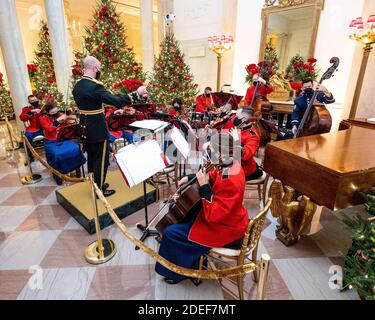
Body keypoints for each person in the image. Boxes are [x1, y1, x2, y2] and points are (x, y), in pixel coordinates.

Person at [155, 133, 248, 284]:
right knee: (185, 214)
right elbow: (212, 174)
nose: (209, 154)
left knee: (172, 233)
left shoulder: (230, 178)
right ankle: (194, 261)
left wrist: (204, 186)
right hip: (229, 218)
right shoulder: (229, 163)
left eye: (210, 150)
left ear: (219, 152)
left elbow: (214, 215)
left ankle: (181, 272)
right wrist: (191, 176)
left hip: (225, 227)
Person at [72, 56, 147, 197]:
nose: (99, 70)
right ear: (94, 68)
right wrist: (137, 93)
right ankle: (99, 190)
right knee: (101, 160)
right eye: (99, 68)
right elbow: (117, 101)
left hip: (84, 127)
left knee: (92, 158)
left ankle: (95, 184)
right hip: (97, 128)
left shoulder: (78, 85)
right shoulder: (94, 86)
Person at [39, 102, 86, 186]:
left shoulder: (60, 114)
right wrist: (57, 121)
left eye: (56, 111)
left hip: (64, 139)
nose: (55, 114)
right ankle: (57, 175)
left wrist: (70, 118)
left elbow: (69, 125)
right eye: (52, 113)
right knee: (57, 154)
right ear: (47, 112)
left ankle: (76, 167)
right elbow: (49, 129)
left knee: (75, 148)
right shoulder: (43, 118)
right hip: (51, 141)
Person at [230, 107, 263, 181]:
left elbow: (246, 156)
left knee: (221, 179)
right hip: (232, 163)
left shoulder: (253, 136)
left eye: (237, 117)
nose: (234, 118)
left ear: (244, 119)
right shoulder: (239, 128)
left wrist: (235, 140)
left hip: (244, 170)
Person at [19, 95, 43, 164]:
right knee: (27, 136)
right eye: (32, 101)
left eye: (35, 100)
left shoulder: (42, 106)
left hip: (44, 128)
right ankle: (30, 156)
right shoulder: (27, 109)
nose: (35, 101)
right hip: (34, 128)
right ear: (29, 101)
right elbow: (22, 118)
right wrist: (32, 111)